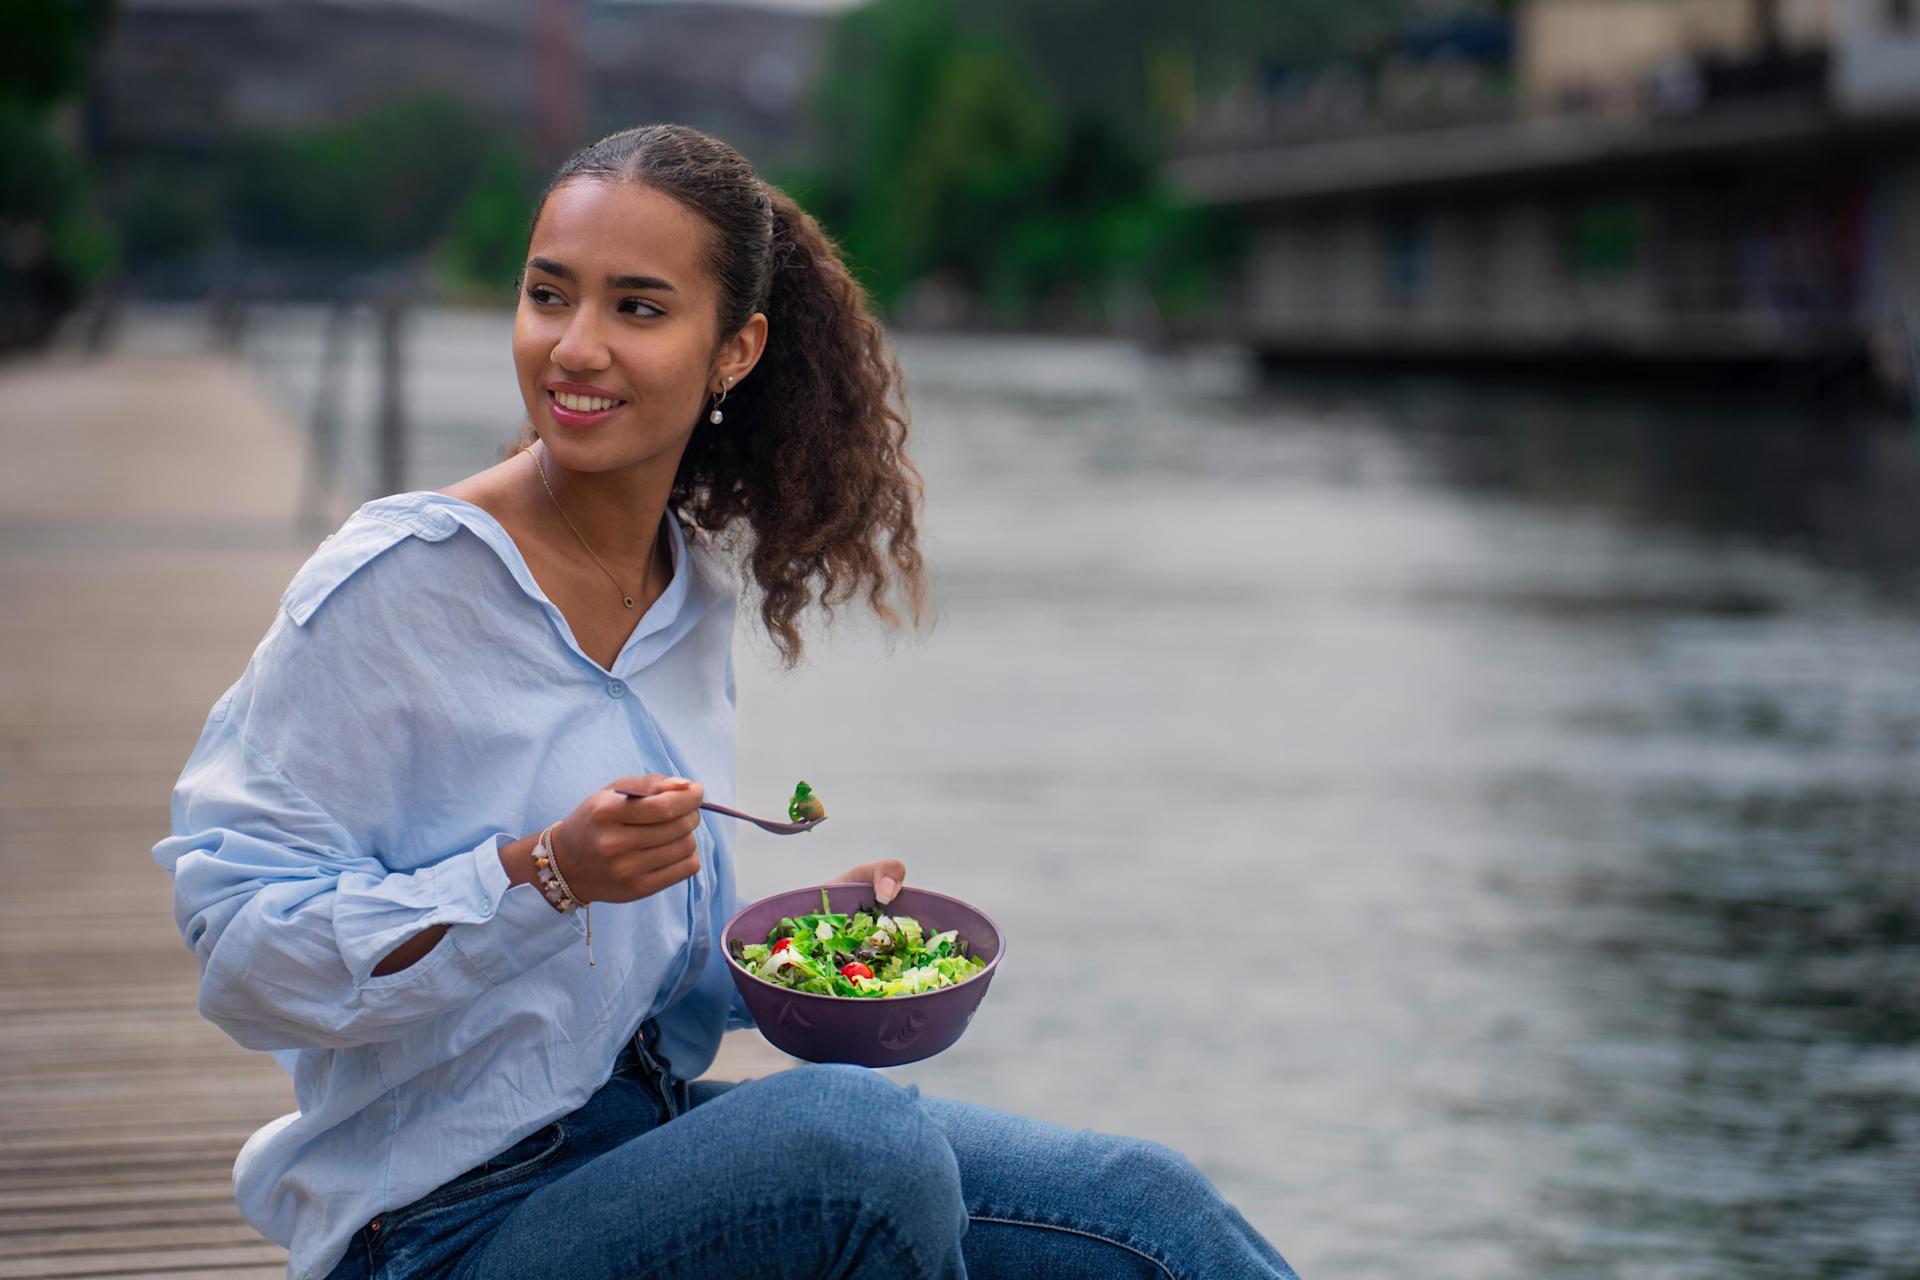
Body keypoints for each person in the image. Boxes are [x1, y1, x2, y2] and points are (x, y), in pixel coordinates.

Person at [153, 123, 1300, 1280]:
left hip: (649, 1140)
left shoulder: (688, 587)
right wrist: (538, 872)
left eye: (638, 308)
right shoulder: (395, 587)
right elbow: (241, 954)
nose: (575, 347)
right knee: (857, 1146)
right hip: (437, 1225)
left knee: (1144, 1207)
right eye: (550, 294)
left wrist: (826, 944)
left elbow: (627, 983)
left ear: (734, 350)